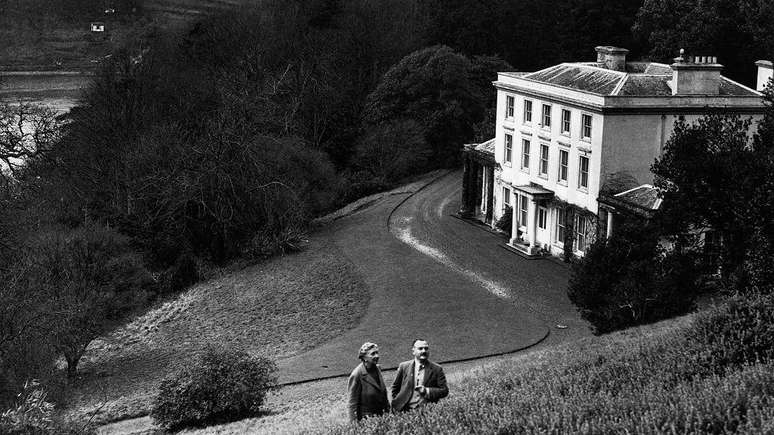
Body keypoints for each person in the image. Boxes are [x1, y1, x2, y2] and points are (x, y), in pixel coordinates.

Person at [390, 338, 448, 412]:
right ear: (413, 351)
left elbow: (444, 390)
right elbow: (395, 388)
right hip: (405, 411)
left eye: (426, 348)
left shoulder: (437, 369)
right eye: (420, 348)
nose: (424, 351)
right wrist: (397, 403)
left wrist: (426, 390)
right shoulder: (404, 366)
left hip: (427, 411)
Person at [347, 342, 390, 421]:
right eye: (373, 354)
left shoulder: (377, 368)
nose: (377, 356)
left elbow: (382, 394)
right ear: (364, 357)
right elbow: (352, 403)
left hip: (383, 417)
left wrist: (389, 413)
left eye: (377, 353)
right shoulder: (357, 375)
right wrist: (354, 426)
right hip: (367, 420)